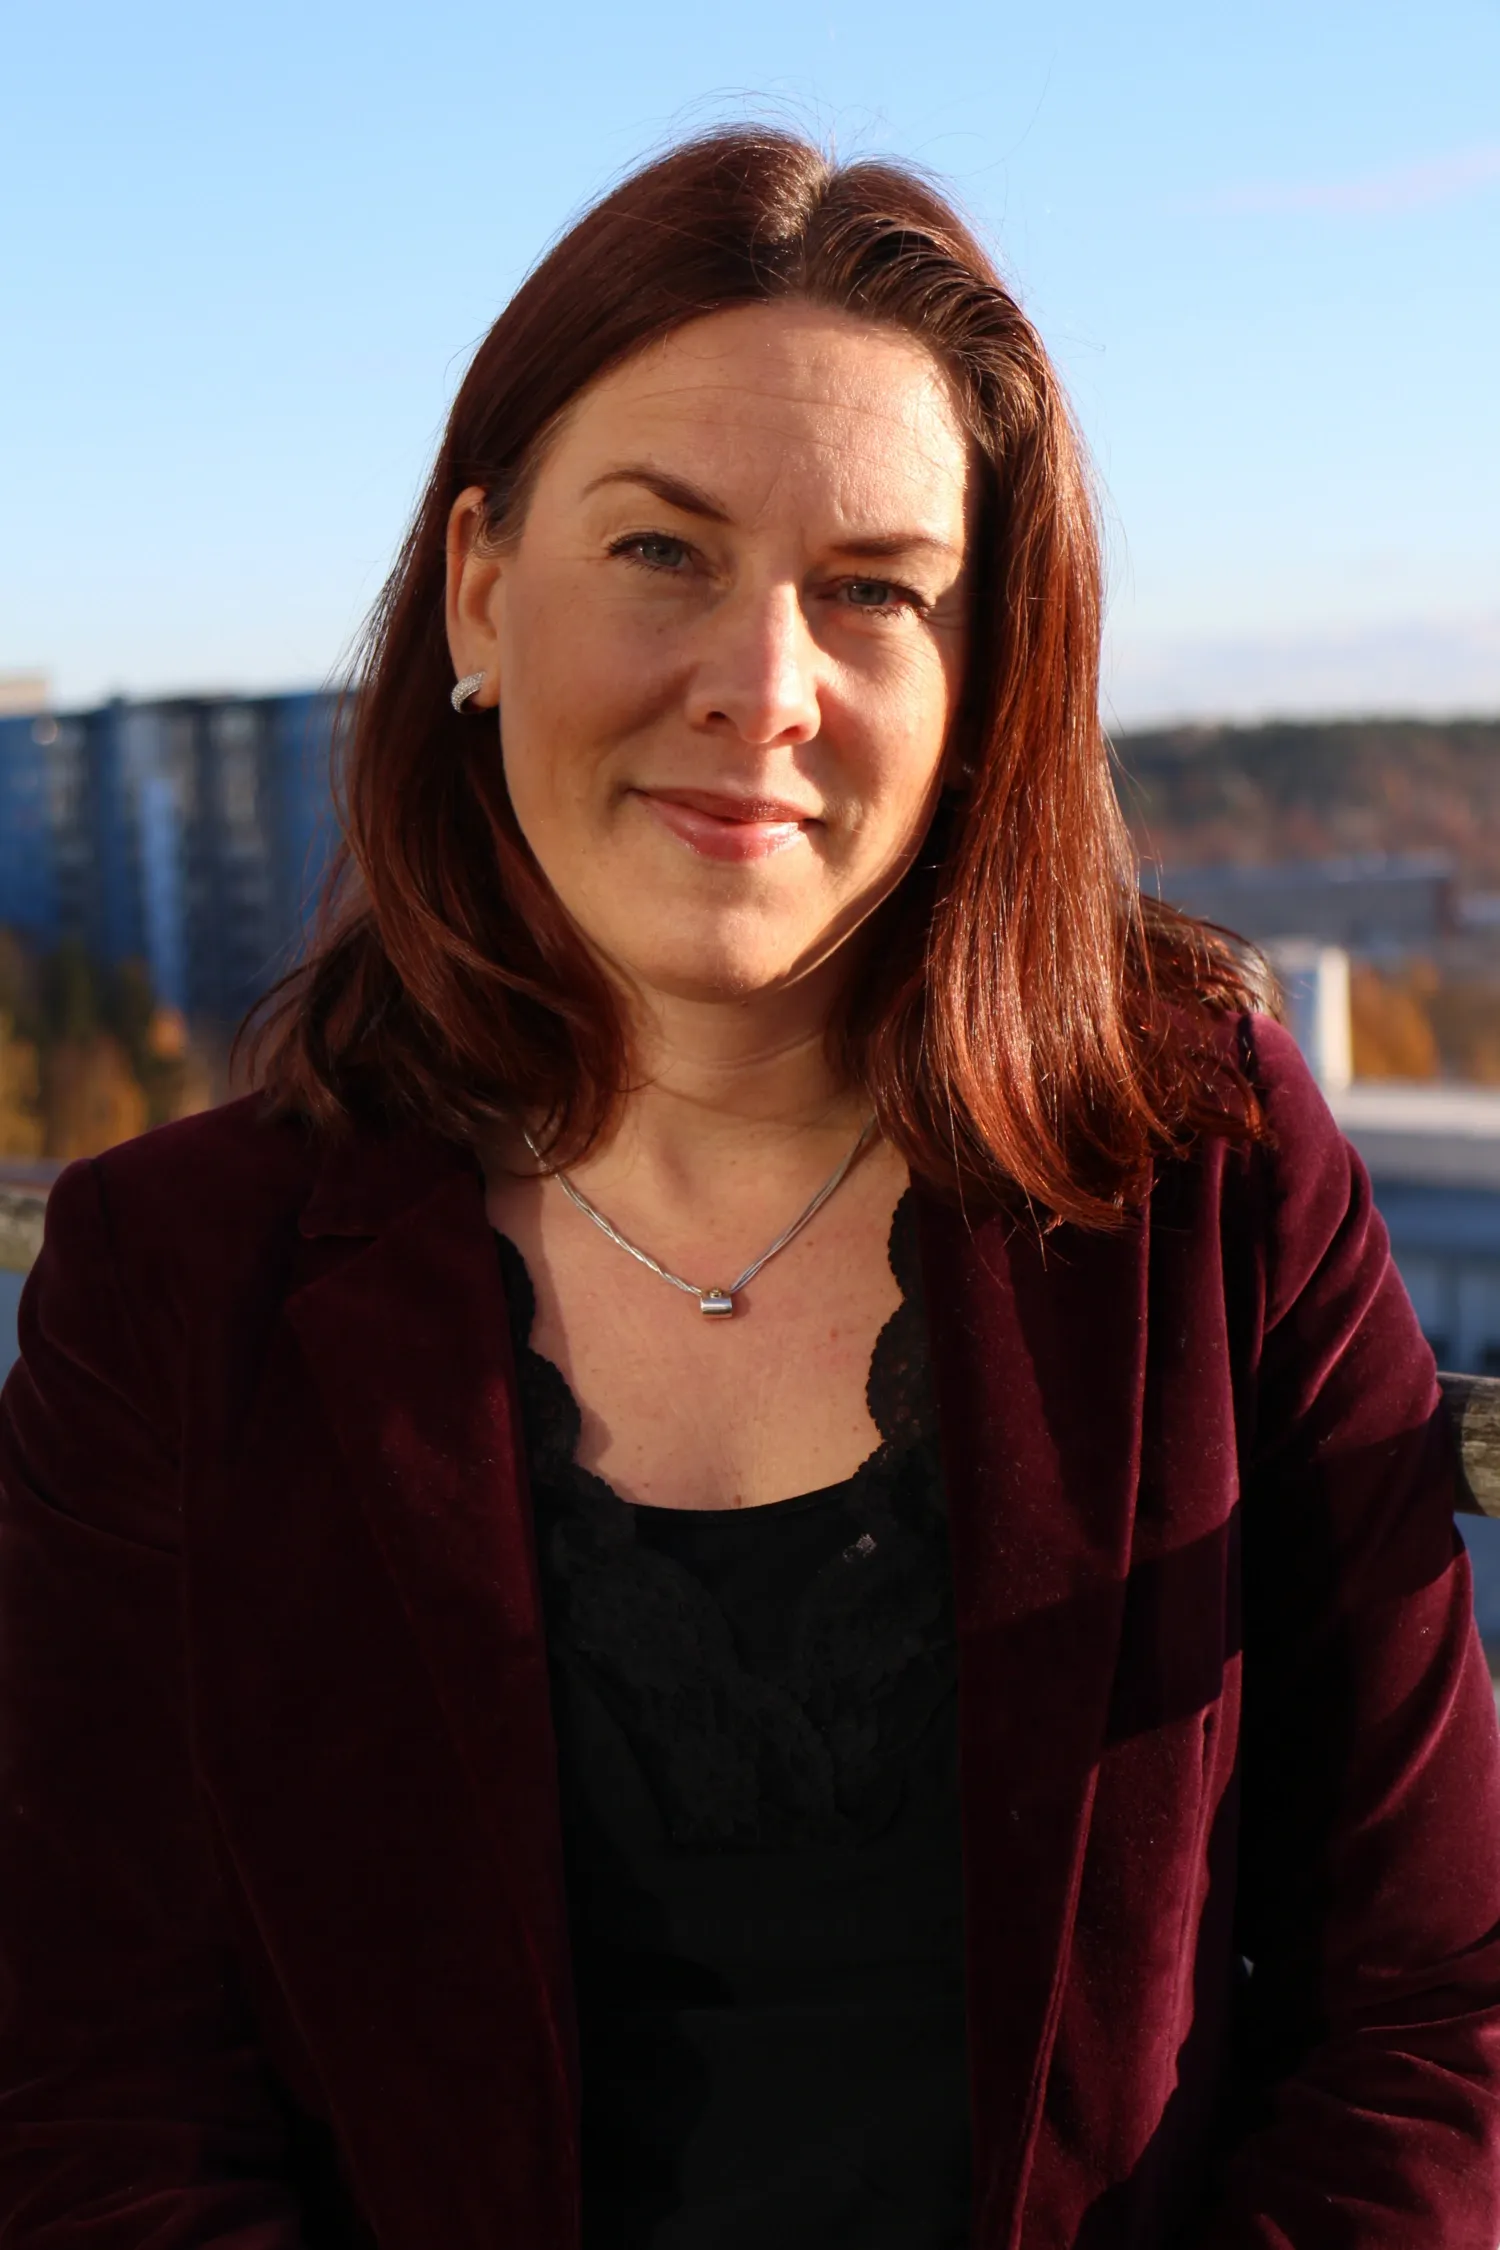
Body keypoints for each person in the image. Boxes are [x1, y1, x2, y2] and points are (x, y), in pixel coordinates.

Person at [1, 125, 1498, 2250]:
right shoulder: (177, 1280)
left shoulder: (1209, 1180)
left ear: (979, 685)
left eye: (874, 589)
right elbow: (92, 2099)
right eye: (663, 553)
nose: (763, 689)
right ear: (482, 592)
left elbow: (1439, 2008)